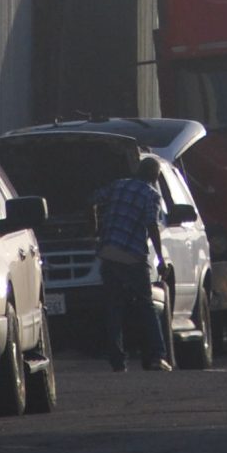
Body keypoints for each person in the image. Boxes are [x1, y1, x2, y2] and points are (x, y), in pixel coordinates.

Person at [92, 156, 172, 372]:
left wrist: (97, 228)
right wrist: (161, 260)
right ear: (155, 178)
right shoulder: (151, 195)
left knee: (114, 307)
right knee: (146, 305)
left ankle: (117, 360)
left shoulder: (118, 185)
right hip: (133, 257)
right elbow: (151, 225)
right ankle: (157, 356)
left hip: (108, 253)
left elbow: (95, 198)